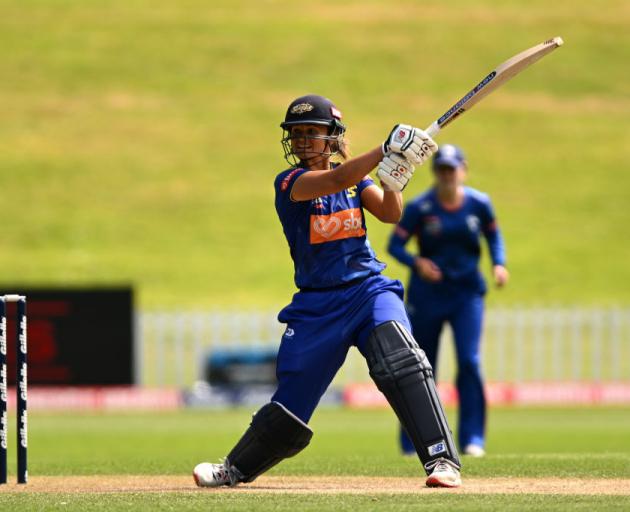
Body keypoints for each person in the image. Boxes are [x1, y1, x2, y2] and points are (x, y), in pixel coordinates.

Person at [193, 94, 462, 488]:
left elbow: (390, 213)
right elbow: (337, 180)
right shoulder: (290, 183)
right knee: (292, 401)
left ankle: (442, 461)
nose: (302, 140)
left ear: (332, 137)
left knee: (400, 359)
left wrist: (395, 176)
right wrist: (386, 149)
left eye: (311, 133)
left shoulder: (357, 180)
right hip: (318, 304)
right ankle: (235, 468)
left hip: (368, 290)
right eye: (296, 133)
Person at [387, 144, 508, 458]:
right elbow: (395, 245)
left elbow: (493, 236)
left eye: (452, 169)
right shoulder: (421, 208)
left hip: (466, 293)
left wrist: (499, 263)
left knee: (469, 362)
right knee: (420, 367)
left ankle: (473, 439)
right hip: (427, 296)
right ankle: (413, 441)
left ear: (463, 170)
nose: (447, 175)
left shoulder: (479, 204)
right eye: (441, 169)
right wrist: (418, 264)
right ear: (435, 172)